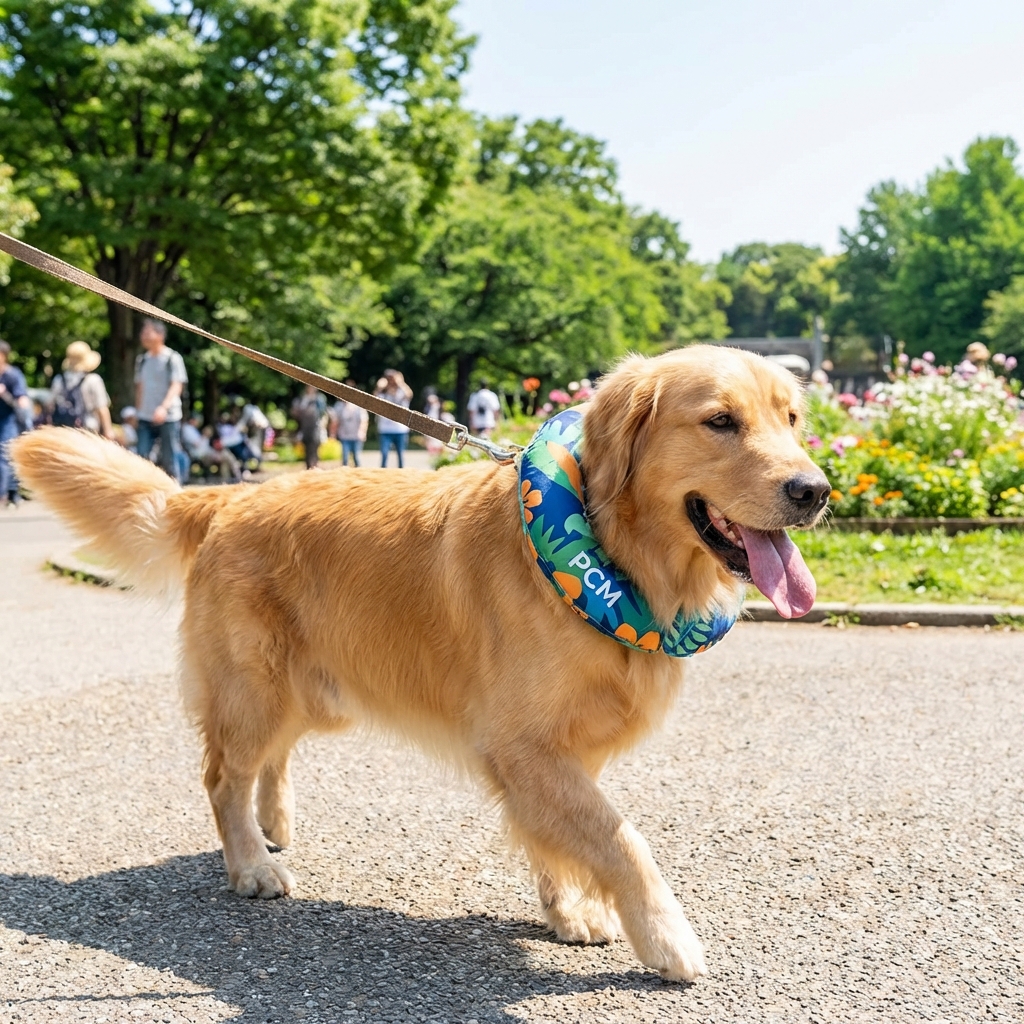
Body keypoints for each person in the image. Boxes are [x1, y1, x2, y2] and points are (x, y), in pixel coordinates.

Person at [134, 319, 188, 482]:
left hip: (168, 416)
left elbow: (177, 385)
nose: (143, 336)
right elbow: (140, 388)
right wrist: (137, 412)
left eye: (147, 332)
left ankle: (175, 493)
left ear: (160, 335)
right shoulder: (142, 360)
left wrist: (163, 408)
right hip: (145, 415)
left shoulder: (172, 358)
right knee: (141, 457)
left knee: (169, 457)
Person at [50, 341, 113, 438]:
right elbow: (101, 408)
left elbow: (51, 405)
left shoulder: (59, 380)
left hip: (63, 431)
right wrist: (108, 431)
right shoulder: (93, 380)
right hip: (87, 430)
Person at [0, 339, 32, 507]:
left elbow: (21, 398)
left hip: (8, 421)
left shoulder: (12, 375)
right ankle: (11, 492)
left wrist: (5, 395)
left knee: (4, 456)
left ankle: (6, 494)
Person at [182, 414, 242, 483]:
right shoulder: (187, 429)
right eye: (197, 420)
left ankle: (227, 480)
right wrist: (205, 434)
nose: (198, 422)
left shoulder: (193, 429)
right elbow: (196, 444)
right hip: (201, 455)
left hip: (207, 452)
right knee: (226, 456)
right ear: (192, 420)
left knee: (225, 459)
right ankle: (236, 477)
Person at [374, 369, 413, 468]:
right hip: (385, 429)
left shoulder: (401, 392)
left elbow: (409, 394)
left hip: (400, 430)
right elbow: (374, 399)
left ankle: (401, 475)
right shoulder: (383, 394)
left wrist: (400, 382)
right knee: (384, 455)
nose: (391, 381)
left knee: (401, 455)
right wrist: (379, 386)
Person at [331, 380, 369, 467]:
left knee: (357, 458)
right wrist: (333, 434)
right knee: (345, 458)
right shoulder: (339, 406)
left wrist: (362, 432)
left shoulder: (359, 406)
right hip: (344, 436)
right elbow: (335, 421)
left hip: (356, 437)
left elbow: (364, 420)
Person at [292, 385, 326, 470]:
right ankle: (309, 467)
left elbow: (323, 413)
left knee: (314, 448)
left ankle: (314, 466)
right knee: (307, 449)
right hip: (305, 427)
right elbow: (297, 412)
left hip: (316, 427)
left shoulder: (319, 399)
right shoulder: (302, 399)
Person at [237, 400, 269, 466]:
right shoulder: (254, 408)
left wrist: (237, 428)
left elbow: (244, 420)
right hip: (259, 428)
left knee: (254, 445)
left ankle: (257, 460)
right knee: (255, 445)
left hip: (258, 428)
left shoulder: (248, 409)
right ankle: (257, 461)